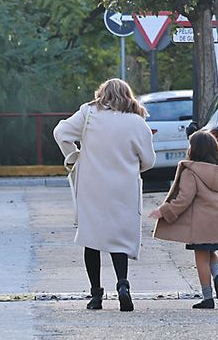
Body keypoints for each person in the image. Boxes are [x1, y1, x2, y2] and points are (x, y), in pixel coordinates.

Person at [53, 78, 155, 311]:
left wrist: (74, 156)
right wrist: (130, 165)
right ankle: (123, 285)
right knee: (119, 237)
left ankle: (96, 295)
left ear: (102, 95)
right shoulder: (137, 122)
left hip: (92, 186)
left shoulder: (89, 113)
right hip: (124, 188)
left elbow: (61, 132)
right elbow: (149, 161)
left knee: (92, 238)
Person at [150, 130, 218, 309]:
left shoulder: (191, 172)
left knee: (201, 257)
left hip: (200, 225)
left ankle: (208, 297)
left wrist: (164, 211)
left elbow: (184, 198)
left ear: (194, 150)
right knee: (211, 252)